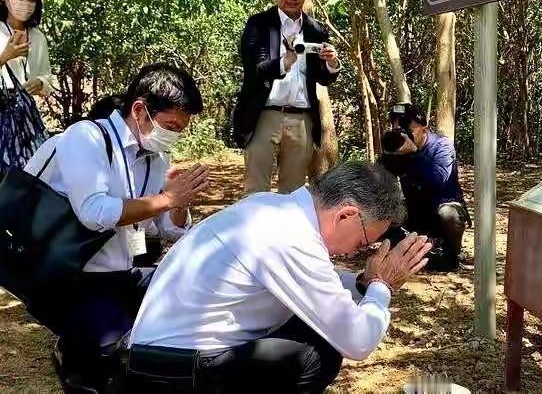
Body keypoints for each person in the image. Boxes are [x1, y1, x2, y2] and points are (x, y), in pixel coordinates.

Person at [128, 162, 432, 393]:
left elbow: (317, 283)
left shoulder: (272, 208)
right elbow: (358, 341)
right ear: (346, 215)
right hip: (176, 372)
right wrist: (382, 287)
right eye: (363, 241)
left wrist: (363, 283)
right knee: (319, 352)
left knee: (312, 325)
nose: (358, 250)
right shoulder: (292, 238)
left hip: (162, 358)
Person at [23, 63, 211, 389]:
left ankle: (87, 353)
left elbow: (162, 229)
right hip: (66, 276)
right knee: (116, 354)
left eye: (181, 129)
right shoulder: (86, 137)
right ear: (139, 110)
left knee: (192, 295)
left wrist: (178, 203)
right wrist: (167, 198)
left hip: (119, 273)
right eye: (170, 126)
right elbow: (94, 212)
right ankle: (79, 359)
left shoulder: (155, 157)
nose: (174, 135)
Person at [233, 0, 341, 195]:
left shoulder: (315, 29)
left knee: (293, 193)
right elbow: (254, 69)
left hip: (302, 120)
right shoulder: (259, 24)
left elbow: (323, 77)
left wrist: (332, 63)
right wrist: (284, 62)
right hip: (264, 115)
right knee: (256, 190)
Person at [379, 103, 469, 272]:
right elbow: (381, 179)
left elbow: (439, 179)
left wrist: (414, 153)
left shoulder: (442, 145)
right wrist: (389, 157)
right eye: (398, 130)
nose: (403, 134)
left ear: (424, 129)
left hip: (441, 206)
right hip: (414, 210)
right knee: (381, 211)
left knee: (449, 215)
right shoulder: (399, 147)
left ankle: (454, 252)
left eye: (407, 130)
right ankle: (411, 246)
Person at [0, 0, 54, 178]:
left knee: (28, 177)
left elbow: (47, 79)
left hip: (24, 122)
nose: (26, 4)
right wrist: (4, 57)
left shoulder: (37, 37)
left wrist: (40, 83)